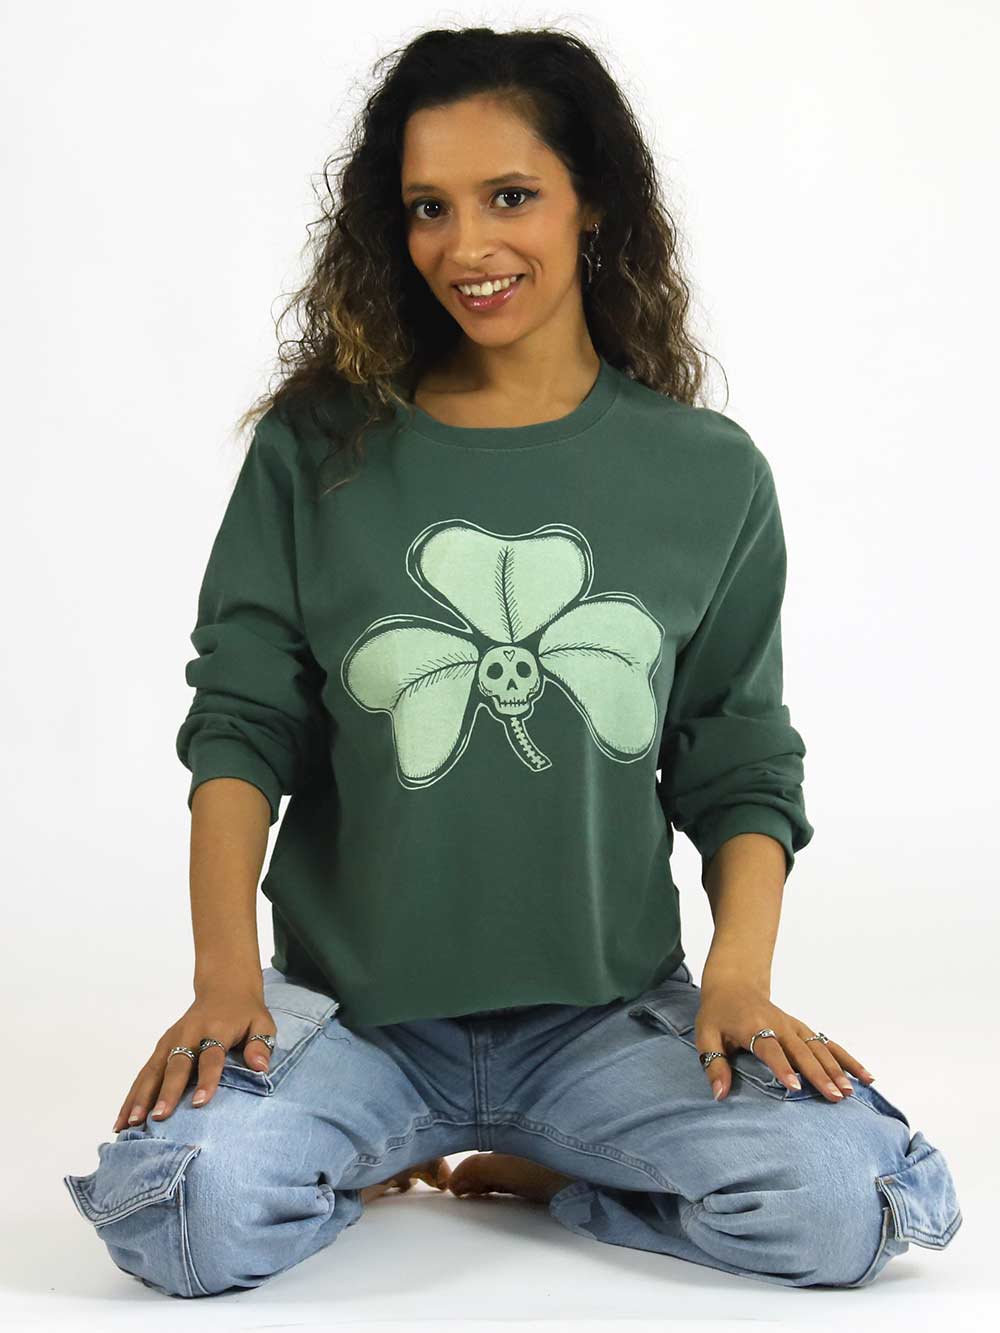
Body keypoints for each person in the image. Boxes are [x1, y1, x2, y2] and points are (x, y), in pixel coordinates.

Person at [63, 24, 962, 1299]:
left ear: (593, 202)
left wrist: (740, 983)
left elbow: (736, 750)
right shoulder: (317, 449)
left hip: (602, 1028)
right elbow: (243, 721)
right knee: (183, 1215)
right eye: (429, 206)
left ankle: (569, 1177)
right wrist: (223, 984)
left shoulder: (705, 474)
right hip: (360, 1023)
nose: (466, 247)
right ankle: (354, 1146)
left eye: (511, 197)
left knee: (845, 1205)